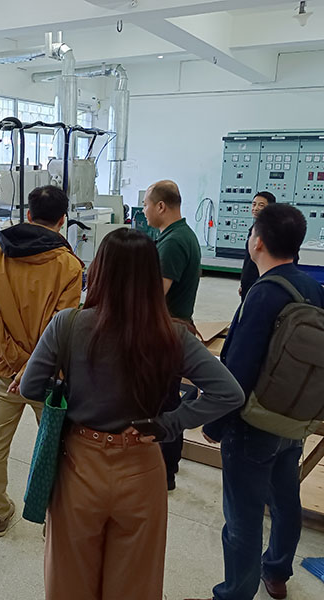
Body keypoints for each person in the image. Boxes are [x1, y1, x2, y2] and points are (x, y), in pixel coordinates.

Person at [20, 227, 244, 600]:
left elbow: (30, 386)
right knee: (135, 583)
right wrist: (170, 423)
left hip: (79, 464)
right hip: (142, 464)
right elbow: (228, 392)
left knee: (69, 581)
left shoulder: (68, 324)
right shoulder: (173, 334)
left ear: (98, 271)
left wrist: (63, 383)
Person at [188, 204, 324, 600]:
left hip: (254, 424)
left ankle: (234, 594)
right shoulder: (312, 288)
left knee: (243, 518)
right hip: (294, 419)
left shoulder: (262, 294)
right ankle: (277, 572)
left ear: (258, 242)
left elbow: (238, 368)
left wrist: (215, 423)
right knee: (285, 500)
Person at [0, 185, 83, 537]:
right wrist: (31, 366)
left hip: (4, 372)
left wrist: (14, 362)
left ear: (29, 214)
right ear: (63, 220)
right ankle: (52, 517)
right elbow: (62, 327)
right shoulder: (69, 266)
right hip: (48, 376)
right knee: (53, 445)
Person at [143, 179, 202, 490]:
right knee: (167, 398)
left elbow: (154, 296)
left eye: (146, 205)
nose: (144, 211)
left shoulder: (173, 242)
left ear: (161, 206)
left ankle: (164, 471)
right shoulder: (179, 235)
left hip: (166, 332)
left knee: (163, 401)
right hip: (172, 328)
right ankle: (168, 464)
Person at [239, 191, 276, 301]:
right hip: (249, 282)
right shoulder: (255, 227)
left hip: (259, 283)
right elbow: (248, 260)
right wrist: (243, 283)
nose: (255, 208)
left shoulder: (270, 231)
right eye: (254, 204)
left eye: (261, 205)